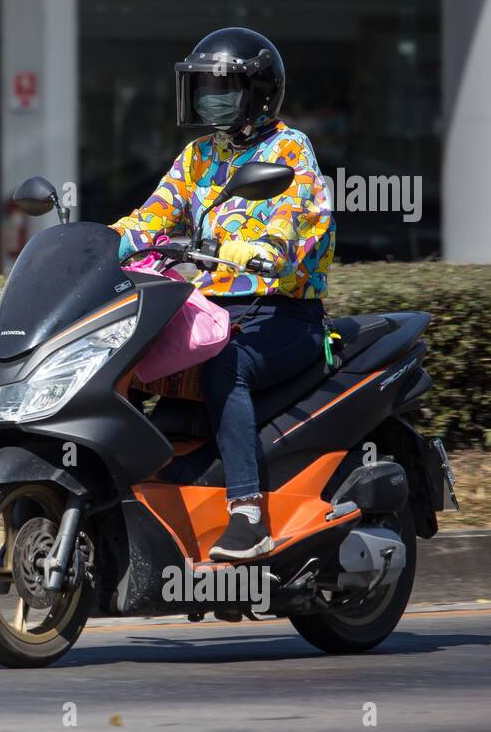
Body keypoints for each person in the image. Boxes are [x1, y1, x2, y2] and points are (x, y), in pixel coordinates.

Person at [110, 27, 335, 561]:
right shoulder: (197, 157)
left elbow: (297, 220)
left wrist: (261, 248)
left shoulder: (289, 149)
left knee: (224, 366)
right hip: (206, 311)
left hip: (281, 314)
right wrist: (102, 242)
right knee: (121, 358)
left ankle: (248, 514)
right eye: (204, 87)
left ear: (257, 94)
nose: (210, 98)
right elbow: (152, 215)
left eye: (224, 88)